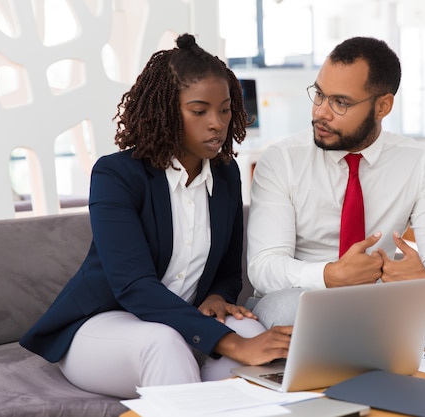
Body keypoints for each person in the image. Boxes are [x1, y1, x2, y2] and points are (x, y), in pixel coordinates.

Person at [19, 34, 292, 399]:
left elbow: (228, 271)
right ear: (165, 111)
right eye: (199, 111)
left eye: (225, 109)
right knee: (165, 344)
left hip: (185, 321)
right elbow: (133, 285)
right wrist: (229, 343)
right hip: (103, 325)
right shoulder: (116, 175)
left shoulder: (226, 174)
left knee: (255, 337)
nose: (217, 123)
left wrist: (215, 296)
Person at [246, 36, 425, 349]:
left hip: (383, 300)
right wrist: (329, 275)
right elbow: (264, 267)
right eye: (319, 95)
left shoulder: (418, 162)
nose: (320, 113)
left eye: (340, 103)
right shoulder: (282, 160)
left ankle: (396, 379)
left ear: (382, 106)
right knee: (287, 315)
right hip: (306, 296)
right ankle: (378, 356)